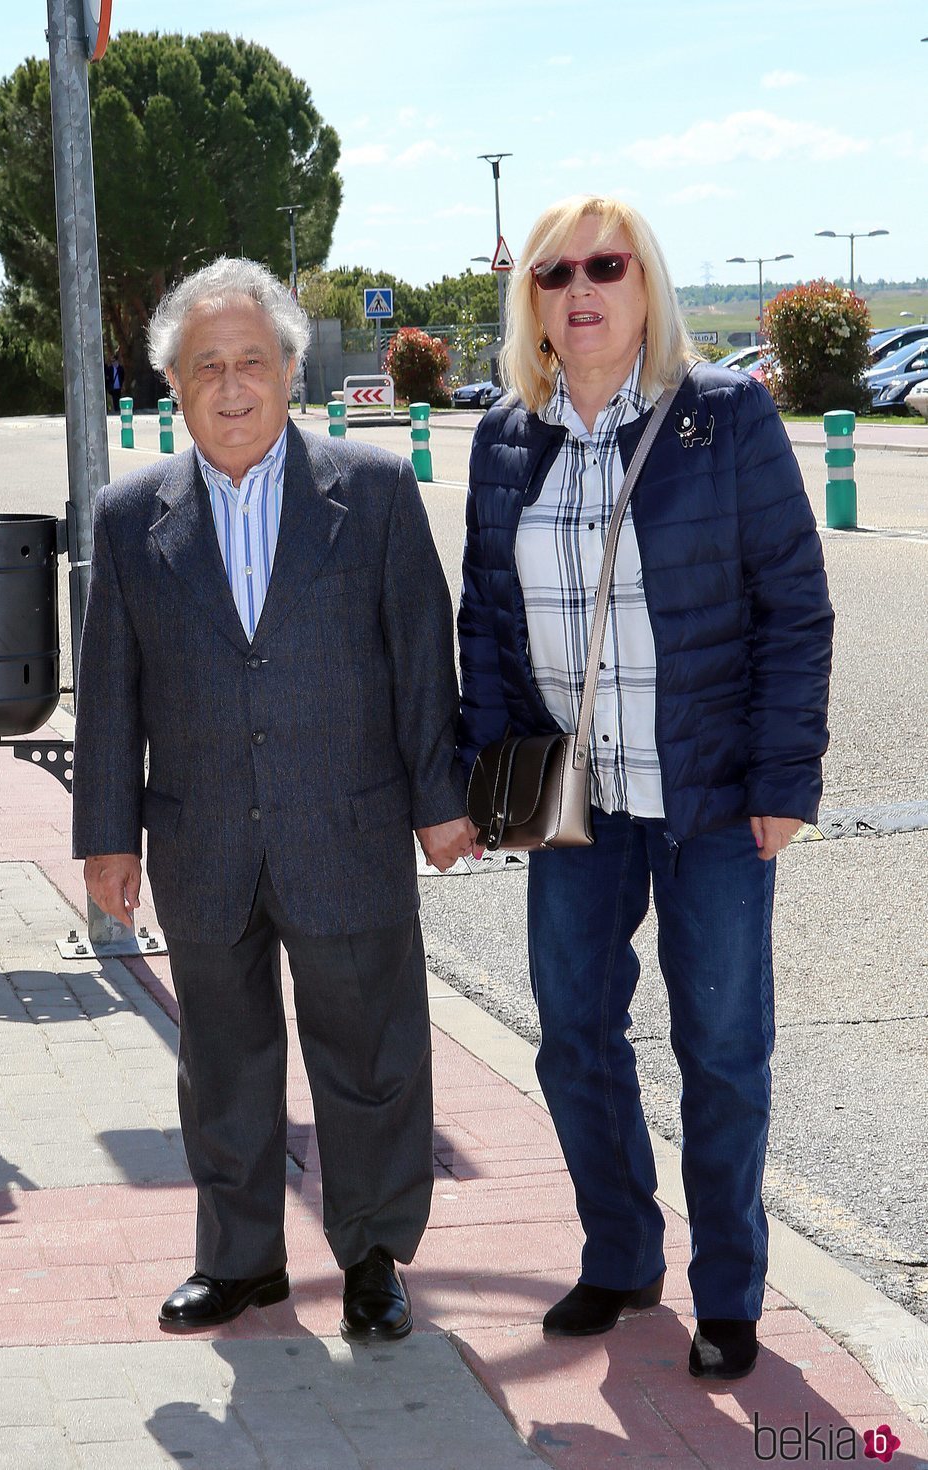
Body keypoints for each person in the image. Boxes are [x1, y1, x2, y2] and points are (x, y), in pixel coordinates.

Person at [457, 195, 833, 1381]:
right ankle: (620, 1255)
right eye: (553, 271)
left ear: (643, 283)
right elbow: (486, 619)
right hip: (577, 807)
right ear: (531, 301)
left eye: (604, 267)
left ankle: (727, 1290)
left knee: (719, 1047)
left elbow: (792, 608)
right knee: (570, 1035)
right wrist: (488, 766)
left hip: (712, 799)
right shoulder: (506, 438)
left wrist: (784, 777)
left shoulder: (723, 419)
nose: (580, 289)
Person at [73, 257, 475, 1340]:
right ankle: (239, 1260)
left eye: (253, 361)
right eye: (207, 367)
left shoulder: (375, 491)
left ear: (291, 372)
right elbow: (108, 690)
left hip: (344, 828)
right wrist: (106, 839)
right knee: (221, 1065)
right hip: (200, 841)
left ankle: (373, 1257)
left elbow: (418, 658)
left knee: (372, 1057)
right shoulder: (125, 517)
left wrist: (441, 800)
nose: (233, 385)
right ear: (173, 385)